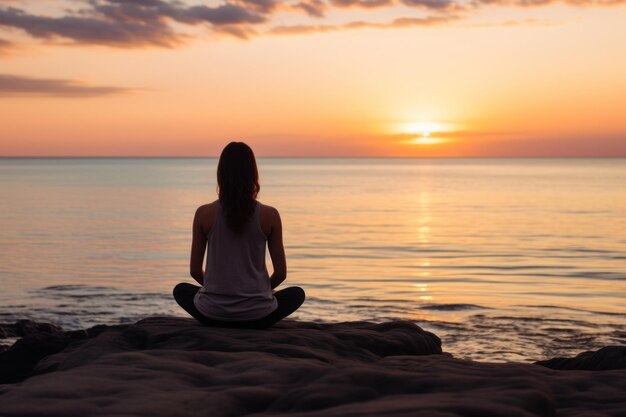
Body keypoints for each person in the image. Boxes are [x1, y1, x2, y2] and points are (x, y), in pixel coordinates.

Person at [173, 142, 305, 328]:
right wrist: (258, 292)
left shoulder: (203, 214)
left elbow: (195, 271)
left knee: (181, 290)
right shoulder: (270, 215)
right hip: (258, 316)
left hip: (212, 313)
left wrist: (216, 289)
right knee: (296, 294)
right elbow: (281, 273)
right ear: (253, 173)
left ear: (221, 173)